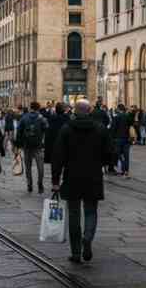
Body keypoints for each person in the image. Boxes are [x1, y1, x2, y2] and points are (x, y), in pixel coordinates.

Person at [51, 100, 114, 264]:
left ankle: (76, 252)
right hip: (93, 176)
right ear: (90, 111)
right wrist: (101, 162)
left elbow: (57, 157)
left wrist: (55, 180)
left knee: (73, 214)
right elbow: (110, 153)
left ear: (75, 111)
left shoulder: (66, 129)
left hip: (72, 176)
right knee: (91, 211)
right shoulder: (100, 129)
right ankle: (87, 238)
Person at [16, 102, 49, 194]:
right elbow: (47, 129)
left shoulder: (24, 117)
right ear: (38, 108)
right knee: (40, 166)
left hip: (27, 145)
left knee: (28, 166)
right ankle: (40, 184)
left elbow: (18, 131)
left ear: (31, 107)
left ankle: (29, 184)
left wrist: (18, 144)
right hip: (38, 145)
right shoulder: (42, 118)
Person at [109, 104, 132, 176]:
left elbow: (112, 129)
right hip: (126, 139)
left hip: (118, 139)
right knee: (126, 155)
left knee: (119, 155)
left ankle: (123, 167)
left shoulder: (116, 117)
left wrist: (111, 138)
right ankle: (126, 170)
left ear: (119, 109)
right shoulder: (128, 117)